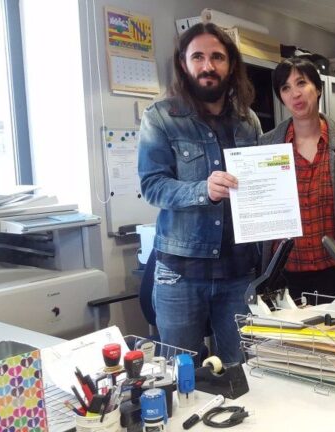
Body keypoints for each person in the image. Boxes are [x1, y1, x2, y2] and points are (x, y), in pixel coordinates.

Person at [138, 23, 262, 364]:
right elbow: (152, 186)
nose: (208, 66)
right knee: (182, 375)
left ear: (231, 65)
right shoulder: (160, 117)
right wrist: (202, 190)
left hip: (239, 273)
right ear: (183, 63)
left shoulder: (248, 120)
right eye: (198, 57)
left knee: (245, 371)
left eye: (217, 57)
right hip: (181, 274)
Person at [259, 57, 335, 304]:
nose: (295, 93)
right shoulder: (267, 145)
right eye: (285, 88)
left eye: (301, 83)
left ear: (317, 88)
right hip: (283, 276)